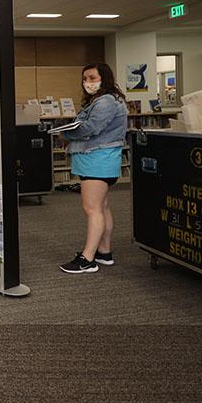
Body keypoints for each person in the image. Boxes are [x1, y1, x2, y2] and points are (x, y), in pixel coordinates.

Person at [57, 63, 128, 274]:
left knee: (92, 209)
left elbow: (90, 128)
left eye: (92, 77)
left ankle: (87, 259)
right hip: (100, 159)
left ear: (103, 78)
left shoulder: (106, 102)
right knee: (102, 207)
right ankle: (104, 252)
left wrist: (65, 134)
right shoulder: (103, 100)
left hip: (97, 159)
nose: (87, 82)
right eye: (85, 78)